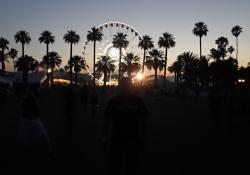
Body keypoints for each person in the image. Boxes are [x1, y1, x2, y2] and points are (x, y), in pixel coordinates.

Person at [102, 78, 149, 175]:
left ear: (130, 86)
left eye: (127, 85)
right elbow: (107, 121)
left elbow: (144, 120)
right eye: (123, 85)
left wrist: (144, 137)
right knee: (116, 167)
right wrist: (104, 137)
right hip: (117, 141)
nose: (125, 87)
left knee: (131, 167)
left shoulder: (138, 101)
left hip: (133, 140)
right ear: (120, 86)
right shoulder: (113, 101)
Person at [16, 92, 53, 175]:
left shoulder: (22, 123)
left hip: (26, 120)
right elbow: (45, 140)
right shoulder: (37, 124)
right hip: (32, 120)